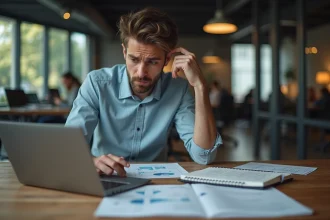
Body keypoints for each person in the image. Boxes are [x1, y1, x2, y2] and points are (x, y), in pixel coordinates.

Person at [65, 8, 222, 176]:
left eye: (152, 62)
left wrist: (200, 86)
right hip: (104, 176)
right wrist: (92, 161)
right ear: (124, 52)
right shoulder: (97, 84)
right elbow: (68, 147)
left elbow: (204, 156)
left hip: (156, 179)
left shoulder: (178, 90)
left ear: (167, 59)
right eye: (134, 59)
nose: (141, 72)